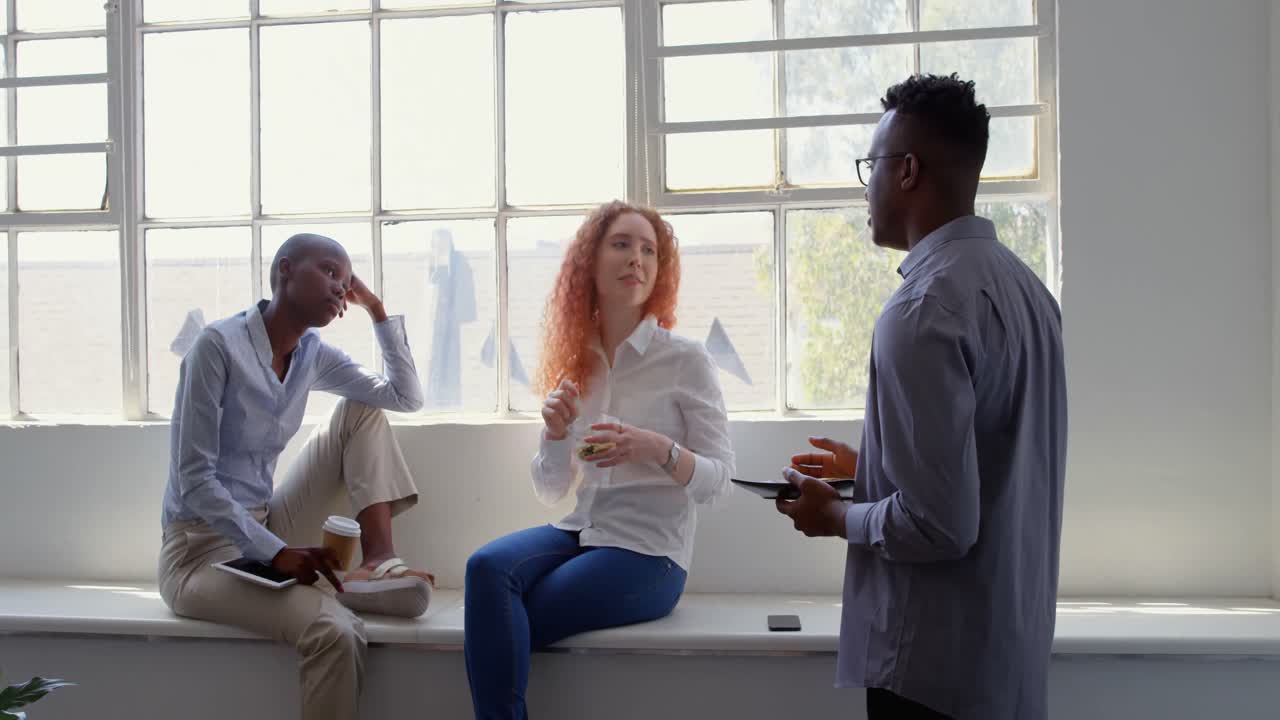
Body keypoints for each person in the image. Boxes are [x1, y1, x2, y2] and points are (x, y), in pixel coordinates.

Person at [775, 74, 1068, 720]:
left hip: (932, 677)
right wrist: (874, 468)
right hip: (1009, 664)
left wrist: (837, 517)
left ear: (907, 170)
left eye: (870, 167)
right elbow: (993, 469)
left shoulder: (921, 309)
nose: (867, 189)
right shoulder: (1029, 296)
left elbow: (942, 524)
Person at [463, 200, 735, 719]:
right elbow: (550, 488)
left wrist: (657, 448)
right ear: (590, 261)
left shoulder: (686, 360)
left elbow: (719, 483)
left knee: (510, 614)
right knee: (485, 570)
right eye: (622, 244)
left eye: (649, 250)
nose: (637, 257)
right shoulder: (576, 360)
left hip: (650, 554)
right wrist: (555, 432)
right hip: (582, 529)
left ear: (660, 271)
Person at [158, 233, 435, 720]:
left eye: (346, 282)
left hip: (267, 526)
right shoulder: (217, 347)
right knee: (336, 631)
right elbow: (195, 482)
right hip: (198, 553)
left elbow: (403, 397)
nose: (338, 289)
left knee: (361, 412)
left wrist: (375, 308)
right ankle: (338, 595)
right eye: (329, 272)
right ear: (285, 269)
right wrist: (277, 553)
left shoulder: (312, 353)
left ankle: (376, 562)